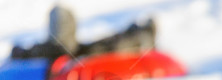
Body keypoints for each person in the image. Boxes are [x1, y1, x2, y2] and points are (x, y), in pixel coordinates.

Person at [11, 4, 156, 63]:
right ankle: (139, 35)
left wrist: (22, 53)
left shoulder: (60, 48)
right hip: (72, 53)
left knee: (100, 48)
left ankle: (140, 35)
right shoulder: (56, 49)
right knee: (98, 48)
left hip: (75, 53)